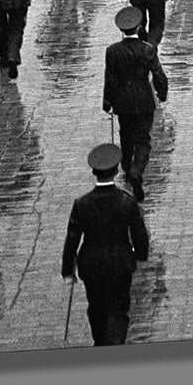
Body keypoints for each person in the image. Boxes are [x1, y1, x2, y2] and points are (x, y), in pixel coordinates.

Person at [60, 142, 150, 347]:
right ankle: (115, 343)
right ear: (116, 170)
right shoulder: (126, 202)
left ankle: (101, 341)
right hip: (120, 264)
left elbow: (72, 238)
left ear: (94, 172)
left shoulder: (82, 204)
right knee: (119, 308)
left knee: (96, 307)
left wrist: (67, 270)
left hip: (91, 266)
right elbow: (139, 234)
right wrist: (141, 255)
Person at [103, 5, 169, 202]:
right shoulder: (147, 50)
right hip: (143, 100)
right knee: (143, 139)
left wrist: (107, 101)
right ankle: (137, 170)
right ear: (139, 27)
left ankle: (125, 165)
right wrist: (162, 93)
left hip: (122, 102)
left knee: (126, 134)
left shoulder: (112, 51)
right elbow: (158, 74)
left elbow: (110, 79)